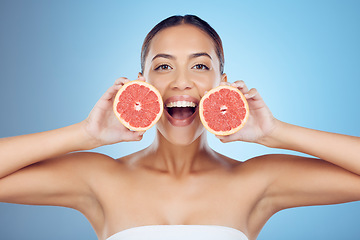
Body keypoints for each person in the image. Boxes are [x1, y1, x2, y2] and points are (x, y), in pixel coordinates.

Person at [0, 14, 359, 240]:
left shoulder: (256, 182)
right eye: (164, 66)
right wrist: (85, 135)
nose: (182, 83)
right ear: (140, 84)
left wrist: (275, 133)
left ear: (224, 83)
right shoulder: (98, 178)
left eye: (201, 67)